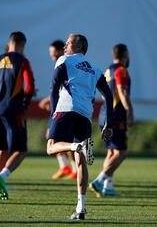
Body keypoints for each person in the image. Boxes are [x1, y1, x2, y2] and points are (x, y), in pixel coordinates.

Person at [46, 34, 113, 220]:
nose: (65, 45)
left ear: (79, 46)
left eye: (69, 42)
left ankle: (74, 146)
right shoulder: (95, 68)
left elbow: (53, 88)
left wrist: (53, 112)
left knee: (51, 147)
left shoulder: (64, 59)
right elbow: (109, 95)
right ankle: (81, 207)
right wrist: (109, 122)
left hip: (65, 110)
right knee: (81, 161)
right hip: (85, 115)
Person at [0, 31, 35, 200]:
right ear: (22, 45)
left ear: (9, 43)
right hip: (13, 109)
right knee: (21, 150)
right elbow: (30, 86)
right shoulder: (22, 61)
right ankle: (1, 176)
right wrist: (24, 103)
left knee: (1, 150)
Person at [90, 43, 134, 197]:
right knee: (121, 153)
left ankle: (107, 187)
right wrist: (130, 110)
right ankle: (99, 180)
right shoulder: (121, 70)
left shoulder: (108, 70)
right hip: (116, 116)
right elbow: (122, 92)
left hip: (104, 114)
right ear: (125, 54)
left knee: (111, 152)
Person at [38, 40, 77, 180]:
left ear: (62, 50)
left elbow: (66, 88)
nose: (53, 57)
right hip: (61, 108)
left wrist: (51, 103)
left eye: (55, 54)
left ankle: (73, 168)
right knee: (53, 137)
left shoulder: (66, 63)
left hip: (67, 109)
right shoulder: (60, 64)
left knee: (59, 139)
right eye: (51, 55)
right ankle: (65, 167)